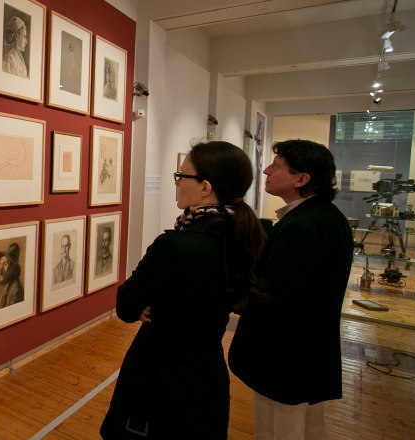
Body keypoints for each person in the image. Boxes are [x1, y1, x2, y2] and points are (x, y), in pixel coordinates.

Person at [100, 141, 266, 438]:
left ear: (205, 187)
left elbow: (126, 306)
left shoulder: (175, 245)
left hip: (160, 380)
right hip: (206, 377)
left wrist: (152, 300)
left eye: (181, 176)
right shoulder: (242, 235)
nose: (176, 183)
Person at [228, 139, 354, 439]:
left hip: (284, 357)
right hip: (309, 354)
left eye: (277, 166)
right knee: (309, 428)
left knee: (277, 431)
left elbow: (271, 298)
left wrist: (231, 291)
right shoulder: (328, 217)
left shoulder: (301, 226)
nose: (266, 170)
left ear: (301, 179)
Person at [0, 242, 24, 309]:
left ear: (13, 268)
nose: (0, 270)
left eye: (5, 264)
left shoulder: (16, 291)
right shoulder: (8, 287)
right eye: (1, 264)